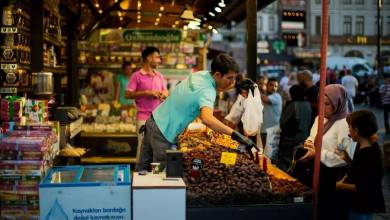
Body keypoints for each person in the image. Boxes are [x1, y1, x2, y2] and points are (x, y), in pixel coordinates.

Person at [138, 53, 257, 171]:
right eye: (230, 78)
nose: (232, 82)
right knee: (162, 177)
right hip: (164, 133)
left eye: (234, 78)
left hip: (153, 122)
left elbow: (219, 86)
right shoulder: (208, 90)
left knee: (141, 172)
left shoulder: (202, 75)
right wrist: (235, 134)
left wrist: (237, 85)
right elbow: (207, 119)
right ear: (217, 74)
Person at [300, 84, 355, 220]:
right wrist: (309, 143)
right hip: (316, 170)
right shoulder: (320, 118)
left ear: (338, 103)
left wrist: (318, 154)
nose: (322, 107)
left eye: (327, 104)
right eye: (321, 103)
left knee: (330, 211)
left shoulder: (345, 124)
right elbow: (312, 136)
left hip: (333, 177)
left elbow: (343, 157)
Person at [335, 110, 385, 220]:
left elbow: (363, 187)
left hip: (361, 205)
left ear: (356, 130)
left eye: (349, 127)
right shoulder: (362, 146)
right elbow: (359, 170)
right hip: (362, 204)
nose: (348, 131)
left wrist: (339, 186)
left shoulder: (368, 154)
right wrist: (347, 158)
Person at [126, 47, 168, 169]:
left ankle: (153, 176)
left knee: (158, 148)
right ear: (149, 58)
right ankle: (139, 175)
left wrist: (164, 94)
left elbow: (165, 91)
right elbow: (128, 94)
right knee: (143, 149)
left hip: (158, 119)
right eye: (157, 57)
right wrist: (148, 93)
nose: (159, 60)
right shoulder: (136, 76)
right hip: (143, 118)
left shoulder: (159, 76)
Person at [277, 85, 312, 172]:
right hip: (304, 138)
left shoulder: (293, 105)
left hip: (291, 140)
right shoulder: (308, 104)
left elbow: (283, 122)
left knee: (285, 161)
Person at [224, 78, 263, 146]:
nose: (243, 94)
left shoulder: (253, 100)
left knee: (252, 147)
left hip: (252, 132)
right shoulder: (243, 98)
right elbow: (236, 111)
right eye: (242, 93)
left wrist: (247, 130)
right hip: (244, 130)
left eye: (244, 92)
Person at [260, 78, 282, 150]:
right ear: (267, 86)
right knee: (266, 154)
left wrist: (257, 91)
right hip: (264, 130)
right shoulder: (266, 96)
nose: (273, 88)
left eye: (275, 86)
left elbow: (265, 99)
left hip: (272, 130)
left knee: (271, 154)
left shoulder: (277, 96)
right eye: (271, 85)